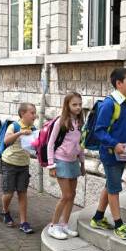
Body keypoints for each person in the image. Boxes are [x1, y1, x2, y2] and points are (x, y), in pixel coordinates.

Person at [89, 68, 126, 240]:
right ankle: (119, 224)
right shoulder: (109, 104)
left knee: (110, 185)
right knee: (114, 188)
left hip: (125, 154)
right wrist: (114, 144)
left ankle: (98, 218)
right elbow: (99, 131)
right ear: (119, 84)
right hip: (110, 154)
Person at [47, 92, 86, 239]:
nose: (78, 107)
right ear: (67, 105)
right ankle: (53, 226)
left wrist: (82, 163)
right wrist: (51, 165)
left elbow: (80, 145)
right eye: (74, 104)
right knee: (66, 195)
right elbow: (50, 144)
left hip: (74, 161)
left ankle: (64, 224)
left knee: (72, 195)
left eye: (80, 104)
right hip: (61, 160)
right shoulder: (61, 121)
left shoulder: (80, 122)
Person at [0, 102, 37, 234]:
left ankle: (24, 222)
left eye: (35, 113)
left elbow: (34, 146)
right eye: (32, 113)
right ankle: (5, 211)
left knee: (22, 193)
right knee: (8, 193)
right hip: (9, 163)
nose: (35, 115)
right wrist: (20, 133)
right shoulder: (14, 126)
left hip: (23, 165)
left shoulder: (33, 128)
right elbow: (6, 141)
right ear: (22, 113)